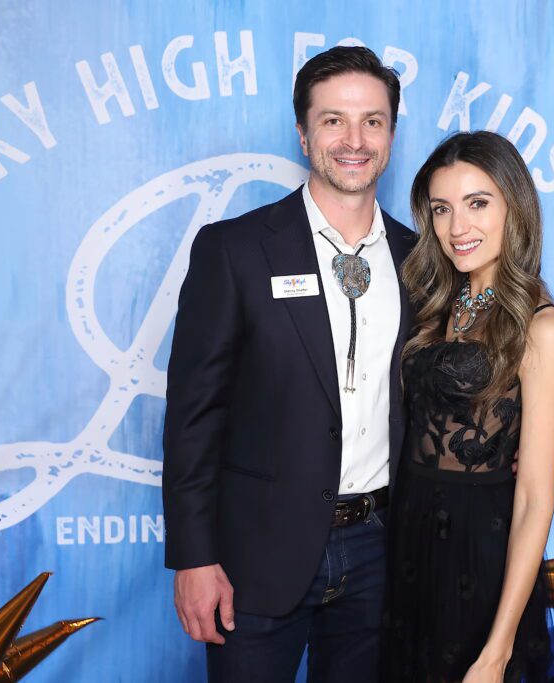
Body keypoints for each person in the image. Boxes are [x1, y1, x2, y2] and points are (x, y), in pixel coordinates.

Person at [162, 46, 415, 682]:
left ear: (390, 133)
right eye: (333, 121)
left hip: (383, 549)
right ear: (303, 133)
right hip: (256, 554)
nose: (354, 140)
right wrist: (194, 559)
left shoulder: (422, 261)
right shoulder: (235, 250)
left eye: (373, 121)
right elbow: (193, 418)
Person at [383, 131, 554, 683]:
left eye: (477, 203)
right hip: (408, 547)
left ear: (514, 205)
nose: (457, 227)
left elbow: (536, 499)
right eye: (441, 209)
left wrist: (497, 651)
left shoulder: (544, 328)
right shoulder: (435, 302)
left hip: (481, 560)